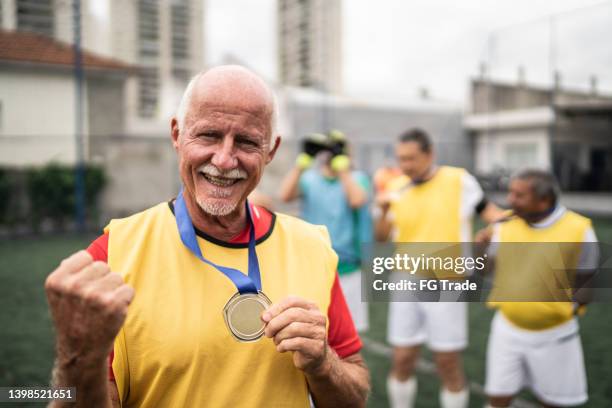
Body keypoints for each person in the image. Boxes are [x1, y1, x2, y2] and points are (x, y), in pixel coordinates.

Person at [44, 66, 370, 408]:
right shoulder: (114, 254)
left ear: (270, 151)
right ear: (176, 134)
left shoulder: (313, 247)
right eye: (209, 135)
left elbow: (354, 396)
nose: (225, 159)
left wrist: (322, 364)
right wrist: (75, 357)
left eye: (246, 141)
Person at [374, 128, 503, 408]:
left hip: (448, 282)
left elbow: (490, 212)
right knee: (402, 357)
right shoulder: (394, 187)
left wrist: (502, 224)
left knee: (447, 361)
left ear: (430, 154)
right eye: (400, 159)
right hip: (406, 279)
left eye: (411, 159)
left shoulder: (459, 179)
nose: (405, 165)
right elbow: (381, 238)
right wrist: (383, 211)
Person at [480, 169, 598, 408]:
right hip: (507, 331)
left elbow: (587, 280)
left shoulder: (579, 229)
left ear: (544, 200)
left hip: (554, 336)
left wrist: (564, 311)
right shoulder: (504, 223)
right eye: (511, 192)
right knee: (497, 400)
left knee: (553, 403)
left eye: (519, 195)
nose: (510, 200)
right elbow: (485, 269)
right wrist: (480, 248)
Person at [279, 130, 372, 332]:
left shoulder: (357, 178)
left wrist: (343, 169)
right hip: (314, 265)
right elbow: (285, 195)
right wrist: (302, 163)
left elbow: (357, 200)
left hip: (348, 268)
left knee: (350, 333)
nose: (330, 155)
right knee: (314, 330)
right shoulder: (310, 179)